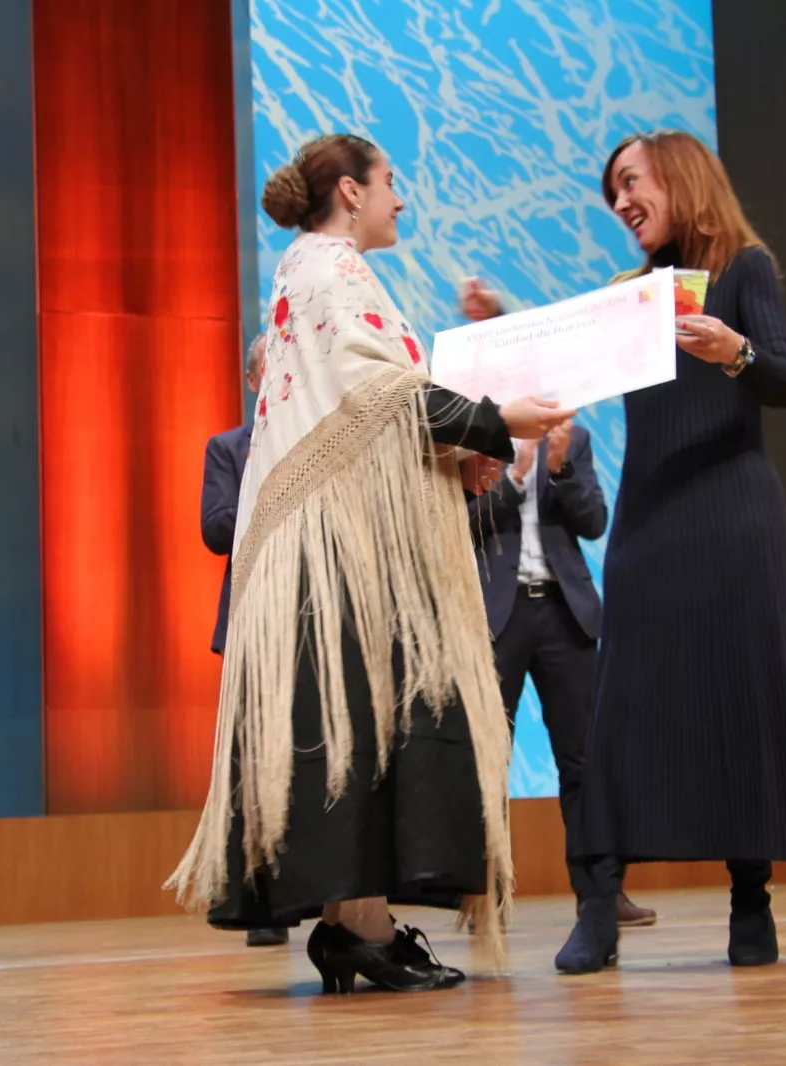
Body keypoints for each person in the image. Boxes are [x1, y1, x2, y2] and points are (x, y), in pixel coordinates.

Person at [164, 132, 573, 994]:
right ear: (350, 191)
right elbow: (378, 394)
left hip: (331, 551)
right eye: (392, 184)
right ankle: (358, 926)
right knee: (354, 719)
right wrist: (499, 420)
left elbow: (372, 405)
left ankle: (364, 925)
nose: (402, 199)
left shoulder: (314, 270)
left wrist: (465, 443)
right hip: (332, 551)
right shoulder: (329, 270)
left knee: (361, 722)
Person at [466, 131, 786, 974]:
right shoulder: (631, 294)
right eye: (612, 193)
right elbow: (559, 366)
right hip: (650, 522)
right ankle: (597, 908)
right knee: (622, 713)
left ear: (677, 175)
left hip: (736, 517)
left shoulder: (745, 269)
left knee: (739, 699)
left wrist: (731, 350)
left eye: (629, 183)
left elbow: (784, 379)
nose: (621, 203)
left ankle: (753, 900)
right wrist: (496, 333)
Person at [464, 419, 657, 928]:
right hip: (494, 618)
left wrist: (560, 466)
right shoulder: (470, 435)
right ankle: (486, 896)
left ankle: (601, 894)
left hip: (563, 613)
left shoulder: (573, 437)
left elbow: (594, 520)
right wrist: (515, 479)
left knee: (583, 762)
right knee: (485, 763)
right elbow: (459, 527)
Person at [200, 333, 289, 949]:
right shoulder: (228, 448)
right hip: (255, 617)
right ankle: (262, 900)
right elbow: (214, 528)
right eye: (273, 366)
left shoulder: (318, 440)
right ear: (256, 379)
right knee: (253, 763)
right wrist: (272, 488)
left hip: (312, 611)